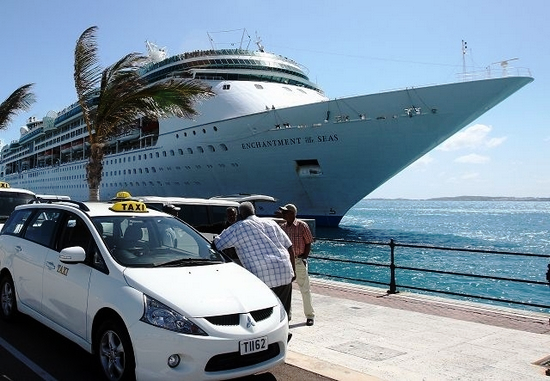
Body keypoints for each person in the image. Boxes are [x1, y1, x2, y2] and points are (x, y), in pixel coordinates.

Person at [212, 202, 296, 317]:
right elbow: (289, 246)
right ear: (254, 211)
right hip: (284, 272)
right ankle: (285, 331)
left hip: (262, 277)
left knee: (264, 315)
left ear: (240, 215)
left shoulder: (238, 227)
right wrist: (293, 271)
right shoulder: (271, 223)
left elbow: (217, 244)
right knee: (284, 312)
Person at [279, 203, 315, 326]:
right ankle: (287, 316)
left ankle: (310, 315)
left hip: (298, 260)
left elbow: (309, 242)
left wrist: (304, 258)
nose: (283, 214)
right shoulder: (282, 227)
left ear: (292, 213)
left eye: (285, 212)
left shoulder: (302, 226)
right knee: (286, 290)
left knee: (305, 289)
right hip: (286, 261)